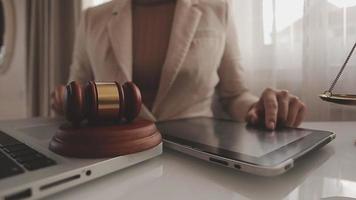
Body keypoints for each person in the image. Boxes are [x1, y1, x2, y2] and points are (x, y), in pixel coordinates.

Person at [52, 0, 306, 130]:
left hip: (198, 151)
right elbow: (78, 88)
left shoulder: (217, 9)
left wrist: (257, 108)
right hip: (114, 153)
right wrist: (64, 101)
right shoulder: (92, 19)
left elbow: (234, 94)